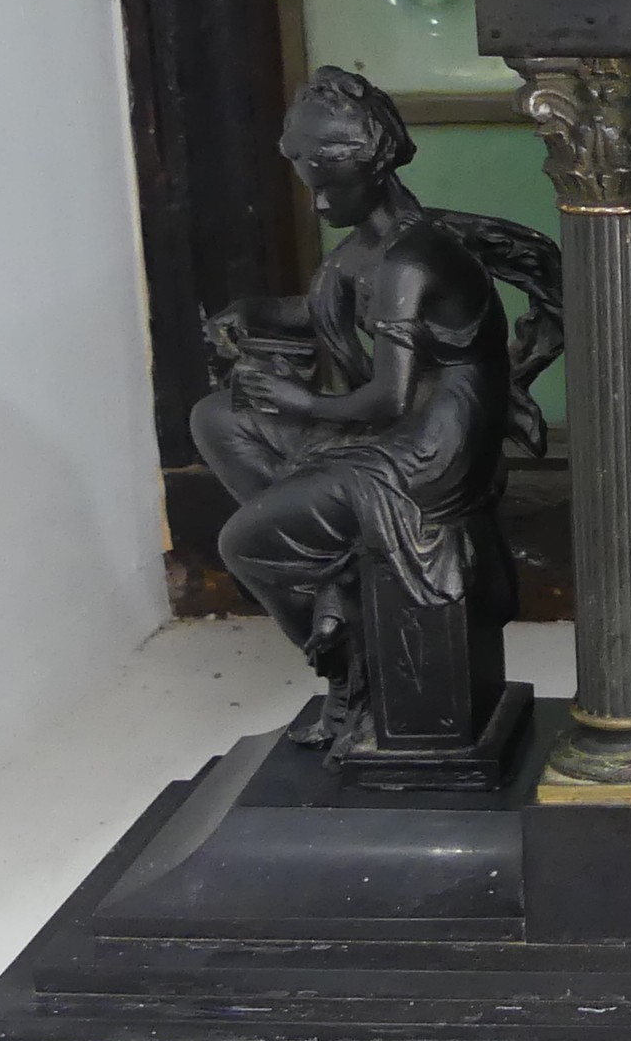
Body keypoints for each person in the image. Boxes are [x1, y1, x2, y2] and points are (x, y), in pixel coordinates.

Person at [193, 69, 557, 748]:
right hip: (393, 420)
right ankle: (338, 585)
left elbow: (388, 397)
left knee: (244, 543)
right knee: (217, 418)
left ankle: (347, 664)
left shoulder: (411, 260)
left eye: (331, 184)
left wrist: (300, 400)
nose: (319, 201)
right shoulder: (364, 251)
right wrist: (252, 313)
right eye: (310, 183)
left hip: (432, 443)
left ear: (375, 166)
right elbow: (322, 311)